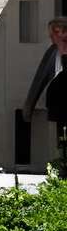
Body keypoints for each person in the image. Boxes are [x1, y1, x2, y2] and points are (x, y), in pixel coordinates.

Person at [23, 17, 67, 169]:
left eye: (53, 33)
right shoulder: (52, 51)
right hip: (59, 108)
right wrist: (28, 108)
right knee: (61, 144)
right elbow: (40, 78)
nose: (50, 37)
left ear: (61, 32)